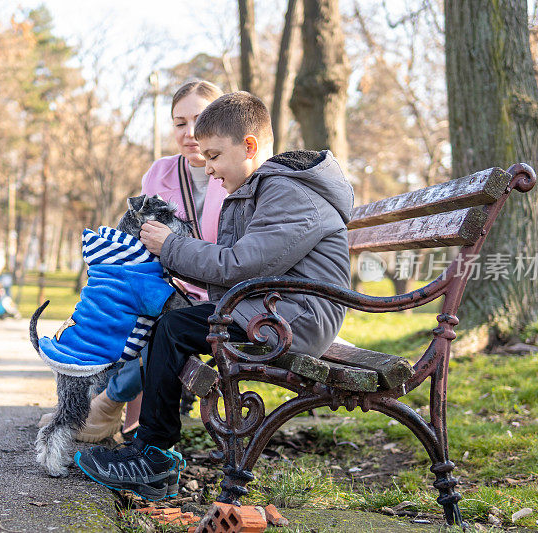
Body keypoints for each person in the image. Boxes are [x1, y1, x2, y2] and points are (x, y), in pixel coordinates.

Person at [74, 91, 354, 500]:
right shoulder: (259, 187)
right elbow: (235, 271)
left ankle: (154, 457)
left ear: (250, 146)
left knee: (172, 328)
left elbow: (240, 264)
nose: (209, 168)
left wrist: (170, 246)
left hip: (294, 318)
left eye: (215, 156)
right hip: (272, 307)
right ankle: (151, 448)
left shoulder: (290, 193)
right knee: (168, 324)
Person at [38, 80, 227, 438]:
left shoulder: (237, 174)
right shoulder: (161, 172)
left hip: (210, 292)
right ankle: (86, 405)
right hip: (161, 284)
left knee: (157, 323)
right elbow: (134, 240)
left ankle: (107, 404)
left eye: (199, 121)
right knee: (108, 311)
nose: (189, 133)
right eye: (179, 123)